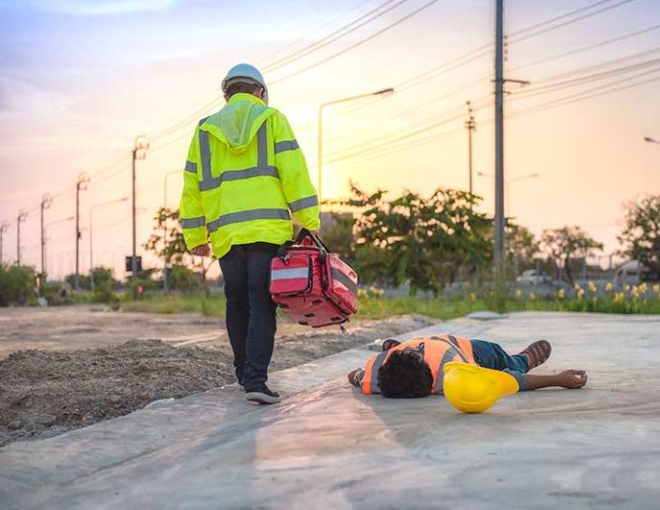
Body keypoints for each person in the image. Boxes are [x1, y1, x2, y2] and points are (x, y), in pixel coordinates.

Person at [180, 63, 319, 404]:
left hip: (226, 233)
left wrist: (196, 235)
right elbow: (294, 172)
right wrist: (309, 220)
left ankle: (244, 376)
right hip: (266, 230)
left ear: (226, 94)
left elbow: (192, 186)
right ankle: (255, 381)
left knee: (236, 302)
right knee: (260, 303)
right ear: (259, 91)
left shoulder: (205, 130)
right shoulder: (272, 120)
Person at [347, 335, 587, 397]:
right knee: (501, 363)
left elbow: (353, 376)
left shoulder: (377, 375)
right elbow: (510, 381)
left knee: (501, 358)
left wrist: (558, 378)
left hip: (449, 346)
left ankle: (522, 359)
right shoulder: (456, 373)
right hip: (449, 347)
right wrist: (557, 379)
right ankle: (522, 359)